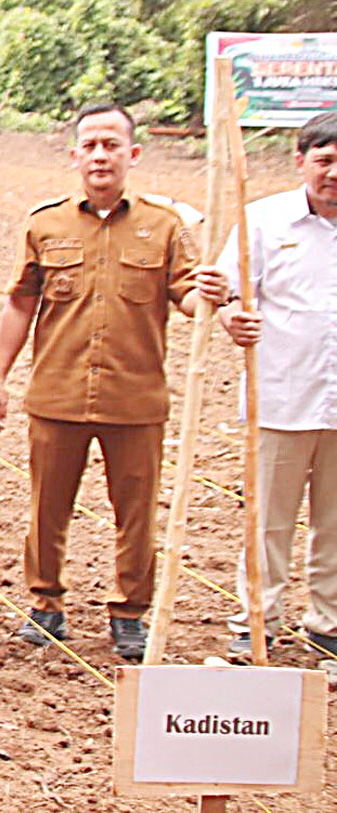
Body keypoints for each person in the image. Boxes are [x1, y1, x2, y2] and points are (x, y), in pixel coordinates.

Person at [0, 102, 229, 659]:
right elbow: (22, 304)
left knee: (135, 513)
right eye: (90, 145)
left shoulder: (165, 227)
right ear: (74, 155)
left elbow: (186, 297)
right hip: (57, 395)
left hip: (135, 399)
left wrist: (206, 295)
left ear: (132, 154)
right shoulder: (45, 224)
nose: (100, 155)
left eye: (111, 145)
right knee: (47, 507)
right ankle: (44, 605)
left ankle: (129, 613)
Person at [215, 111, 337, 658]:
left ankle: (328, 625)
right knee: (268, 522)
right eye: (325, 161)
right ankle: (256, 623)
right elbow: (225, 293)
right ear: (301, 162)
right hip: (280, 396)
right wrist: (232, 318)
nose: (334, 173)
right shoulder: (263, 222)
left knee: (335, 526)